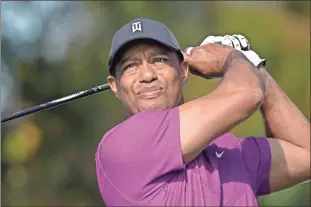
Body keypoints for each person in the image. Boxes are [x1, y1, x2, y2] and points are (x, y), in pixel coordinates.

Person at [95, 18, 310, 206]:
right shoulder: (120, 146)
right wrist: (231, 58)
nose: (147, 75)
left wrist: (256, 68)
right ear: (115, 86)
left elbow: (306, 154)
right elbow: (248, 93)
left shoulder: (230, 148)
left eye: (159, 60)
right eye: (131, 66)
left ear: (183, 70)